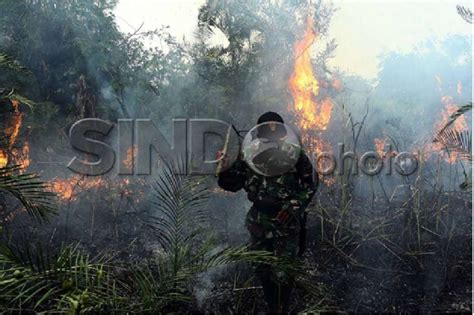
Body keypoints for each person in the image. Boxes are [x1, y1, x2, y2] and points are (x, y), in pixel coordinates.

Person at [217, 111, 318, 313]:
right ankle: (273, 306)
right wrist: (225, 167)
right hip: (259, 221)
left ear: (281, 133)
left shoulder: (294, 153)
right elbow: (232, 184)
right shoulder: (248, 154)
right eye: (266, 129)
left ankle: (281, 309)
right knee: (261, 267)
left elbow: (311, 182)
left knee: (284, 272)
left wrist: (293, 207)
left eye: (275, 129)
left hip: (285, 222)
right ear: (259, 132)